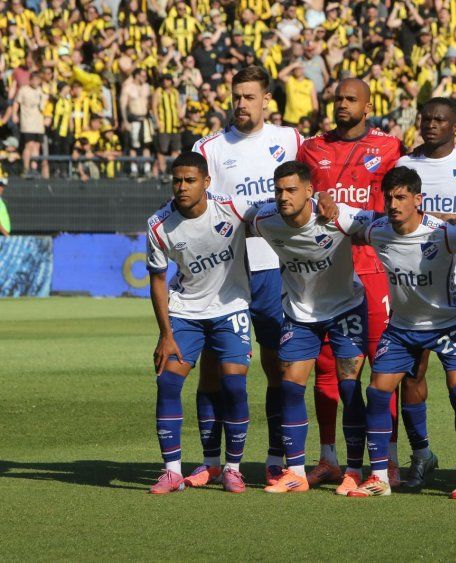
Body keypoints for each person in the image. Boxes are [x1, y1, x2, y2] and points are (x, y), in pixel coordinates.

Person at [192, 65, 303, 488]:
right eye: (236, 96)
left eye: (249, 96)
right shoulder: (210, 147)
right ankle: (210, 461)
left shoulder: (289, 139)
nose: (241, 103)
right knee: (214, 366)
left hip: (274, 269)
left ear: (266, 100)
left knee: (277, 365)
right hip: (227, 273)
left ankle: (275, 457)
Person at [297, 78, 405, 489]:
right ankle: (328, 456)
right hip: (328, 271)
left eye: (350, 99)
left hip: (375, 269)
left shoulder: (391, 148)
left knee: (384, 364)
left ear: (367, 104)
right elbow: (298, 196)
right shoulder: (311, 148)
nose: (342, 104)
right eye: (337, 98)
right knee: (327, 366)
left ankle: (388, 459)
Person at [352, 166, 456, 498]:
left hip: (449, 323)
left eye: (402, 197)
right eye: (389, 197)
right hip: (403, 327)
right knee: (378, 392)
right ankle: (381, 474)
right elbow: (344, 225)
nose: (393, 204)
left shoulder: (444, 233)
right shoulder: (377, 229)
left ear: (417, 200)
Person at [145, 152, 261, 495]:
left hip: (231, 307)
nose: (181, 187)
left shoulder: (233, 208)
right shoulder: (158, 224)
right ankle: (171, 472)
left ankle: (233, 469)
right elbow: (156, 279)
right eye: (176, 180)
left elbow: (273, 215)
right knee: (167, 382)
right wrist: (165, 334)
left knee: (235, 386)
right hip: (185, 312)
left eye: (189, 180)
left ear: (206, 183)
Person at [253, 161, 370, 496]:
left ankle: (354, 470)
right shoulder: (265, 219)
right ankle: (295, 471)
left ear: (309, 191)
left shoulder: (339, 217)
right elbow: (227, 216)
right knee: (290, 386)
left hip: (346, 307)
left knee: (349, 388)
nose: (283, 197)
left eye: (291, 190)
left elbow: (388, 223)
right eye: (278, 191)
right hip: (299, 313)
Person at [394, 97, 456, 490]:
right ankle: (421, 455)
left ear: (455, 127)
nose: (431, 125)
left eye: (440, 120)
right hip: (413, 284)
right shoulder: (404, 166)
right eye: (425, 119)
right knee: (411, 375)